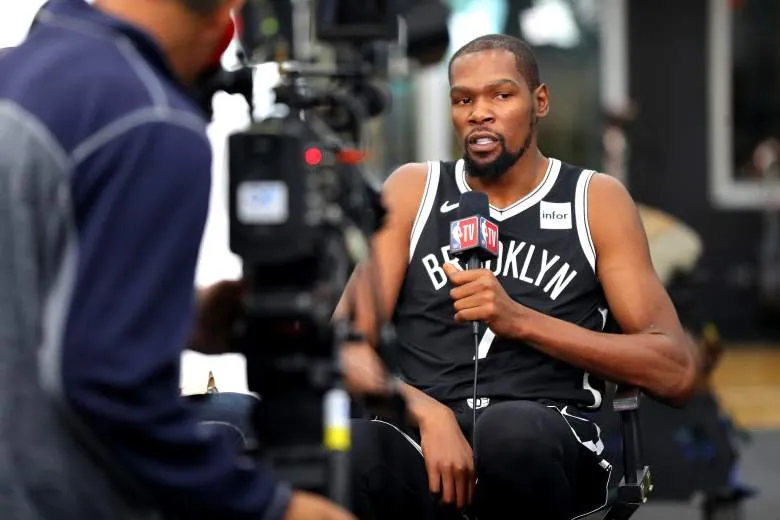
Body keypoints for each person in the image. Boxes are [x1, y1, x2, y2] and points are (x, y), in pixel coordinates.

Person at [0, 1, 385, 519]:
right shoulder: (149, 119)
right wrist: (276, 508)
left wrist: (185, 318)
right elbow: (111, 388)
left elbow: (28, 295)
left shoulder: (19, 73)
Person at [335, 34, 698, 520]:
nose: (479, 112)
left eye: (500, 95)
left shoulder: (593, 200)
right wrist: (426, 412)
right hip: (424, 441)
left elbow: (676, 371)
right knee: (345, 450)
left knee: (511, 432)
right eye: (463, 99)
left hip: (545, 436)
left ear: (539, 102)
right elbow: (340, 343)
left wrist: (519, 320)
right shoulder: (413, 190)